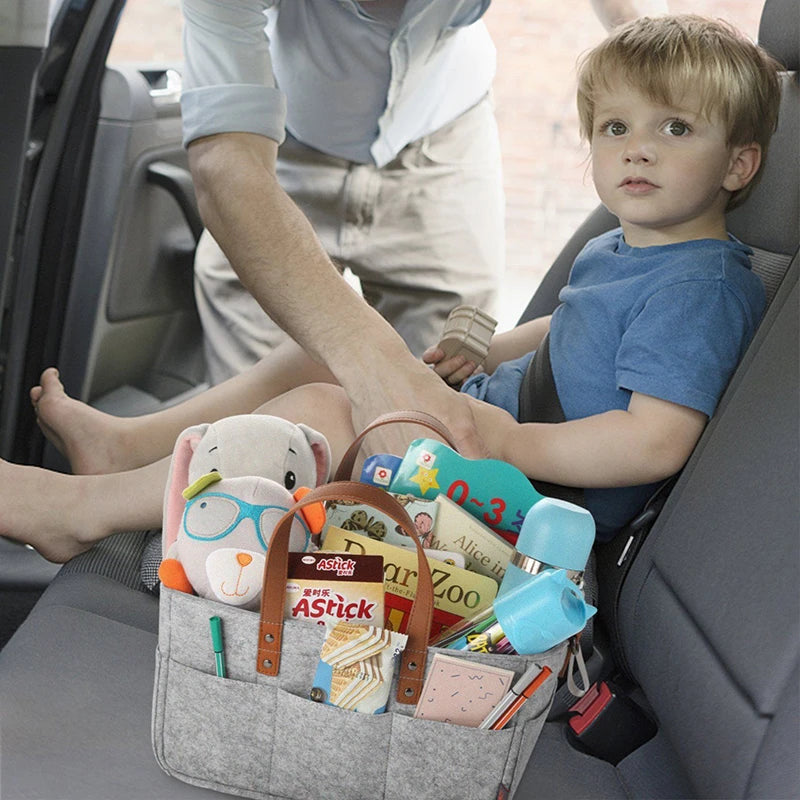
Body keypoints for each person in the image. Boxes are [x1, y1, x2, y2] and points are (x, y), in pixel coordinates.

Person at [1, 14, 781, 561]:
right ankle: (125, 450)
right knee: (319, 360)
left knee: (317, 414)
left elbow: (656, 440)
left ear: (739, 165)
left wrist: (507, 439)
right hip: (501, 455)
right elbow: (575, 328)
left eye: (674, 129)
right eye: (617, 128)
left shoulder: (699, 289)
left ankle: (79, 514)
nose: (638, 149)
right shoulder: (629, 249)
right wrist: (487, 352)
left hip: (528, 514)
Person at [182, 0, 505, 386]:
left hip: (442, 138)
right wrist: (368, 362)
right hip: (283, 149)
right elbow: (228, 164)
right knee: (254, 417)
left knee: (445, 391)